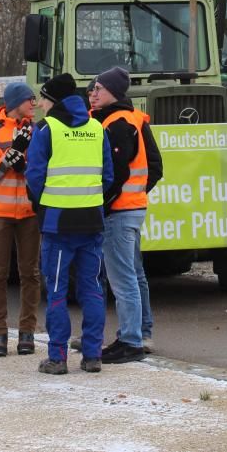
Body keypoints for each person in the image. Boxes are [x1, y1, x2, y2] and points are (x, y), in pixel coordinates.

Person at [25, 73, 114, 375]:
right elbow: (108, 176)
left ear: (54, 100)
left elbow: (34, 176)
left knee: (57, 292)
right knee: (92, 290)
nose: (40, 104)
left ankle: (58, 358)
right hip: (91, 221)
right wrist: (89, 199)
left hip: (58, 223)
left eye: (43, 99)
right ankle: (92, 356)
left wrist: (44, 205)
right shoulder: (97, 127)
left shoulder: (46, 129)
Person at [88, 67, 163, 363]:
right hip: (130, 208)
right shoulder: (130, 119)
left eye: (98, 88)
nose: (93, 93)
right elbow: (153, 167)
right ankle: (140, 333)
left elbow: (116, 174)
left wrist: (104, 205)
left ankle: (130, 340)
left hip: (119, 212)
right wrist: (137, 195)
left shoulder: (117, 123)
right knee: (134, 274)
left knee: (123, 279)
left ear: (114, 92)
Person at [0, 81, 41, 358]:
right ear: (15, 102)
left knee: (31, 274)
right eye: (30, 99)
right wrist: (10, 155)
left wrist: (24, 162)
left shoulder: (37, 131)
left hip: (29, 212)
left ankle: (27, 333)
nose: (34, 104)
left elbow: (39, 169)